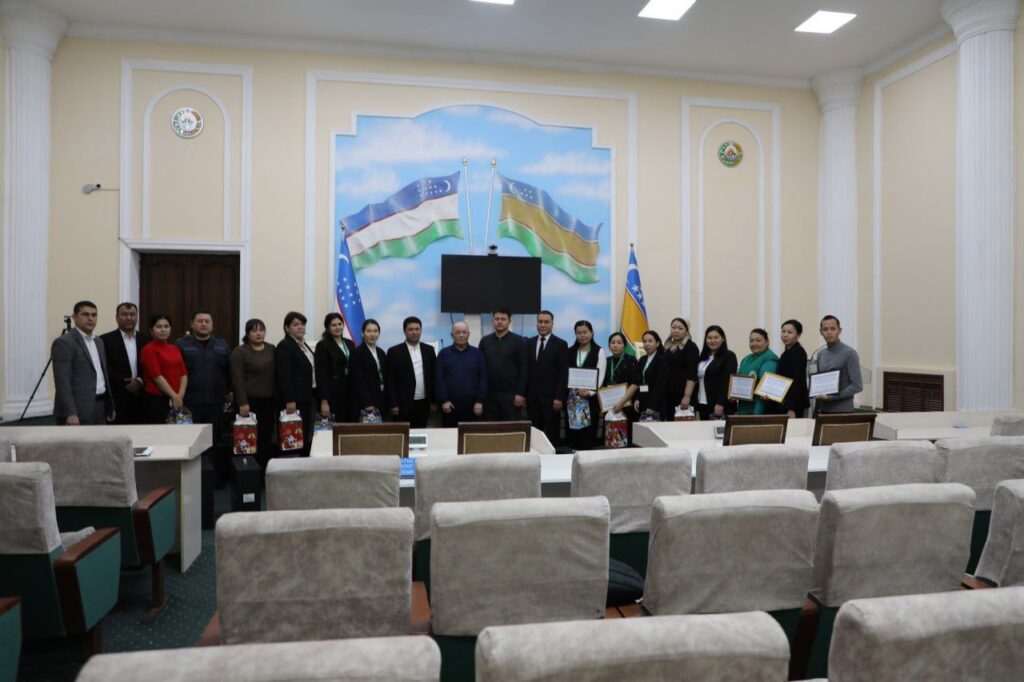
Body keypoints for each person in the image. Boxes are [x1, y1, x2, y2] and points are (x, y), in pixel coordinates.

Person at [177, 310, 233, 480]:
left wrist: (230, 392)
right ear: (192, 324)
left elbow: (230, 372)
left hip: (215, 402)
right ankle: (190, 479)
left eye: (207, 321)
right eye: (200, 321)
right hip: (189, 403)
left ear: (212, 324)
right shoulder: (181, 345)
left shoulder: (222, 345)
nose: (203, 324)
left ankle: (211, 480)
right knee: (190, 441)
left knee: (213, 441)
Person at [51, 300, 114, 425]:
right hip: (77, 410)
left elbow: (103, 376)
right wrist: (70, 412)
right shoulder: (64, 342)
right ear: (74, 317)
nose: (90, 318)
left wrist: (110, 405)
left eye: (94, 315)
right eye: (85, 314)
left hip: (100, 406)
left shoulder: (99, 342)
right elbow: (62, 382)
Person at [231, 319, 277, 469]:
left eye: (261, 330)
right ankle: (248, 472)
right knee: (248, 440)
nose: (259, 333)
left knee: (266, 438)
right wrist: (242, 402)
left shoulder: (271, 349)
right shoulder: (240, 351)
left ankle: (264, 470)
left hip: (268, 401)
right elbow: (237, 379)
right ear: (247, 333)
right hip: (249, 402)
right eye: (254, 330)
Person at [99, 302, 149, 424]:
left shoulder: (146, 340)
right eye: (124, 314)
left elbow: (150, 366)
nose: (129, 318)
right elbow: (104, 366)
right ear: (117, 317)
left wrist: (139, 380)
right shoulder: (104, 340)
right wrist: (124, 382)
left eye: (132, 314)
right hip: (117, 398)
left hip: (142, 397)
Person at [275, 311, 316, 456]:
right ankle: (292, 465)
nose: (300, 327)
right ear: (287, 328)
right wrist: (289, 400)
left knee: (303, 434)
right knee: (292, 436)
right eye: (295, 324)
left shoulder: (303, 345)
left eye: (302, 324)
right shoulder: (285, 345)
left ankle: (302, 462)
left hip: (306, 396)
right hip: (294, 400)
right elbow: (284, 375)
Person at [526, 310, 568, 446]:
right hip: (532, 399)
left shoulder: (561, 344)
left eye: (546, 322)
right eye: (540, 322)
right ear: (536, 323)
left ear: (552, 324)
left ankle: (551, 457)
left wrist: (559, 397)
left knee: (552, 435)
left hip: (552, 400)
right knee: (534, 436)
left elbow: (563, 373)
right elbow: (526, 371)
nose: (543, 325)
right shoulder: (529, 343)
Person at [435, 321, 488, 427]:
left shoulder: (477, 354)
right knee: (450, 435)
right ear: (452, 335)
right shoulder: (443, 354)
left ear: (469, 334)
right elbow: (438, 379)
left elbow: (483, 378)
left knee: (472, 435)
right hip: (449, 406)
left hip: (474, 406)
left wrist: (480, 401)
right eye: (457, 332)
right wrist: (444, 400)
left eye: (464, 332)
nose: (461, 335)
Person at [386, 316, 436, 428]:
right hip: (402, 404)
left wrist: (434, 401)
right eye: (411, 329)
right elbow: (390, 380)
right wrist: (393, 403)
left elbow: (433, 376)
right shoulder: (394, 351)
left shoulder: (429, 350)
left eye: (417, 329)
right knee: (402, 434)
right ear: (404, 331)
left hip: (424, 402)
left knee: (421, 432)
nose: (414, 332)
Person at [563, 320, 606, 450]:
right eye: (579, 333)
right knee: (572, 436)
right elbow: (565, 374)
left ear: (591, 333)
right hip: (572, 399)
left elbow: (601, 375)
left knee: (587, 436)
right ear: (575, 334)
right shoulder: (569, 351)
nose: (582, 335)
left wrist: (591, 392)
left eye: (585, 332)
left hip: (590, 400)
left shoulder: (599, 351)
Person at [479, 310, 528, 420]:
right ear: (493, 321)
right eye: (497, 319)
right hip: (489, 397)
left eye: (503, 319)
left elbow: (524, 369)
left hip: (511, 396)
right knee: (491, 428)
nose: (500, 322)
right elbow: (481, 369)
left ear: (509, 321)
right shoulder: (485, 341)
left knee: (511, 428)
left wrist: (520, 393)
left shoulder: (519, 341)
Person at [140, 313, 188, 424]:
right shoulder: (148, 349)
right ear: (151, 330)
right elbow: (157, 377)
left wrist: (180, 395)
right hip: (157, 400)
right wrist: (173, 395)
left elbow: (183, 374)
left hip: (177, 400)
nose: (163, 330)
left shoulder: (175, 348)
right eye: (159, 327)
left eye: (166, 326)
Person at [813, 315, 863, 413]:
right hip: (823, 410)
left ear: (839, 330)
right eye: (825, 329)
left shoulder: (850, 353)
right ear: (821, 332)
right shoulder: (820, 354)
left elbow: (857, 385)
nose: (829, 332)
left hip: (842, 412)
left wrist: (831, 397)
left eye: (833, 329)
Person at [314, 313, 356, 422]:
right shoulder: (322, 345)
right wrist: (324, 401)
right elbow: (321, 375)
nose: (337, 327)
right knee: (335, 427)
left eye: (339, 324)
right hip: (333, 395)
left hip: (349, 393)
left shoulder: (350, 343)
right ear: (328, 327)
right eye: (333, 325)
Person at [766, 319, 810, 418]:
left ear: (798, 335)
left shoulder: (799, 352)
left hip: (793, 404)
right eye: (783, 331)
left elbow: (798, 381)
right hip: (783, 401)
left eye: (790, 332)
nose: (785, 335)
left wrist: (791, 408)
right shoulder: (785, 353)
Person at [695, 325, 738, 421]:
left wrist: (721, 403)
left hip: (718, 405)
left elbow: (727, 381)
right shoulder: (702, 357)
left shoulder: (729, 356)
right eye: (709, 338)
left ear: (723, 339)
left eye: (716, 337)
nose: (712, 340)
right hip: (702, 403)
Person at [603, 332, 640, 444]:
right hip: (609, 405)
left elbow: (635, 383)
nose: (615, 345)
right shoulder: (606, 361)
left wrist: (621, 402)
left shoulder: (631, 360)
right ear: (609, 345)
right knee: (611, 438)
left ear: (624, 345)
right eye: (613, 343)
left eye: (619, 343)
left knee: (626, 438)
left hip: (627, 404)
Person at [735, 328, 779, 415]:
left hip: (757, 410)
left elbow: (765, 390)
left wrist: (757, 413)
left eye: (758, 340)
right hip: (743, 408)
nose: (754, 343)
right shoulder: (746, 359)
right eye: (751, 341)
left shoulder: (770, 358)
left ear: (767, 342)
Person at [350, 319, 387, 419]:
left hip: (381, 399)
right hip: (366, 402)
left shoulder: (381, 352)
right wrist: (367, 402)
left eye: (375, 331)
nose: (372, 334)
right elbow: (358, 380)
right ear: (362, 333)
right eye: (369, 331)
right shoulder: (356, 353)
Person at [633, 330, 673, 422]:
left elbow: (661, 385)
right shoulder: (642, 359)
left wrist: (652, 405)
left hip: (657, 403)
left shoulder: (662, 359)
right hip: (643, 400)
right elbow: (639, 381)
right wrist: (637, 398)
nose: (647, 344)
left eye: (650, 341)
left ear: (657, 343)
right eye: (645, 341)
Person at [664, 317, 699, 413]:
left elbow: (692, 374)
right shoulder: (667, 347)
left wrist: (687, 396)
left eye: (680, 328)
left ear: (686, 331)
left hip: (683, 394)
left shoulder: (690, 346)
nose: (676, 331)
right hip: (668, 394)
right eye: (673, 327)